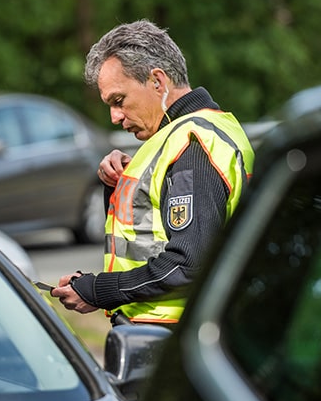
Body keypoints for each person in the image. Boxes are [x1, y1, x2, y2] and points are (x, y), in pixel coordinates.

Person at [51, 19, 255, 326]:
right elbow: (148, 238)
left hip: (171, 337)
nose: (115, 117)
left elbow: (186, 265)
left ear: (158, 81)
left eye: (119, 101)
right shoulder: (188, 133)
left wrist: (99, 290)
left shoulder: (192, 144)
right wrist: (117, 186)